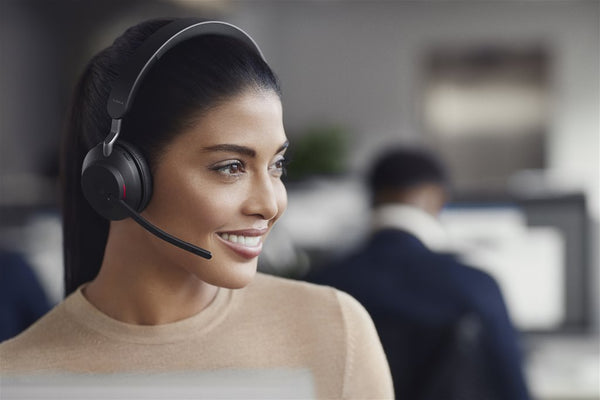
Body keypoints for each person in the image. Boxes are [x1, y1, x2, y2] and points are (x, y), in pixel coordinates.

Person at [0, 18, 393, 399]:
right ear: (121, 180)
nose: (270, 205)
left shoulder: (334, 330)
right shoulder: (16, 377)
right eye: (231, 167)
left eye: (276, 165)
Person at [307, 147, 530, 400]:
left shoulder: (320, 284)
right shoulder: (476, 287)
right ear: (438, 197)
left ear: (372, 198)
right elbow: (513, 389)